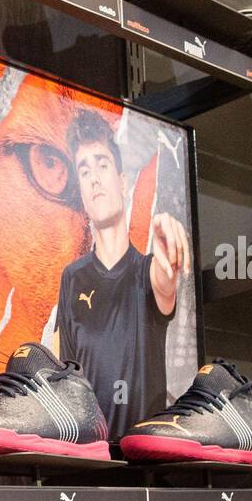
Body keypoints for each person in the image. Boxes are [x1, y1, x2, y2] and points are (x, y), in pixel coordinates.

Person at [54, 110, 190, 437]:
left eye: (102, 164)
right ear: (81, 192)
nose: (95, 178)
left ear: (123, 182)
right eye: (84, 171)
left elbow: (165, 280)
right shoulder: (72, 278)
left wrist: (168, 250)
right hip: (88, 460)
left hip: (142, 463)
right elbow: (66, 378)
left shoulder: (147, 271)